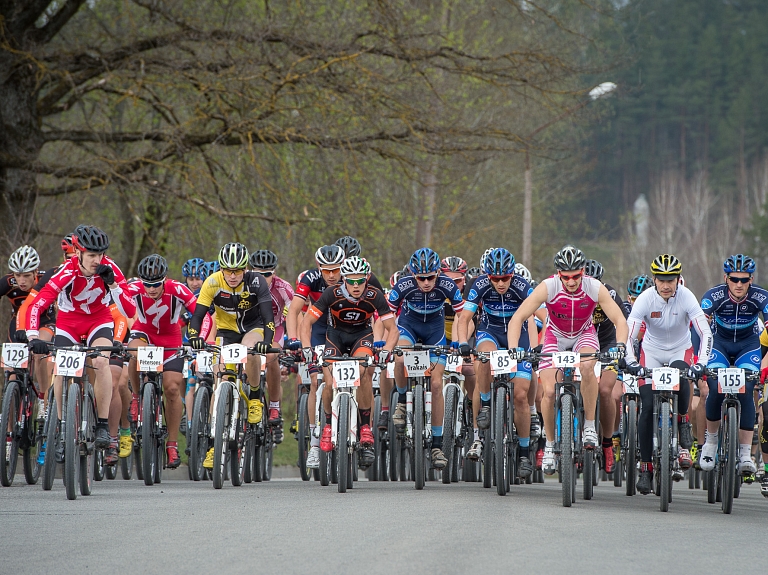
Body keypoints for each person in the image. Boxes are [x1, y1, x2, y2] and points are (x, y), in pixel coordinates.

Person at [507, 245, 628, 477]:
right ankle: (550, 444)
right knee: (550, 392)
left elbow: (619, 321)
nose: (571, 282)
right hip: (556, 336)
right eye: (566, 277)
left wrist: (620, 347)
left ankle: (590, 426)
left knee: (587, 366)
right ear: (558, 274)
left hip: (584, 334)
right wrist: (514, 349)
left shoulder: (594, 287)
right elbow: (518, 317)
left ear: (583, 272)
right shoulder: (548, 286)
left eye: (576, 276)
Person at [26, 225, 136, 456]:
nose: (97, 260)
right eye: (91, 255)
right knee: (61, 369)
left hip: (99, 321)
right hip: (68, 323)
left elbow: (129, 309)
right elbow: (39, 303)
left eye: (100, 254)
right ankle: (61, 426)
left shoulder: (110, 268)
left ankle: (103, 425)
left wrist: (113, 285)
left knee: (101, 363)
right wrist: (33, 335)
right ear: (78, 253)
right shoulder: (67, 271)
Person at [623, 254, 712, 494]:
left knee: (683, 374)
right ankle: (646, 468)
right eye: (661, 279)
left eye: (670, 279)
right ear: (654, 279)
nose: (666, 285)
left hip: (680, 351)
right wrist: (631, 362)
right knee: (647, 407)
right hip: (651, 352)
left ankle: (683, 419)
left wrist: (701, 363)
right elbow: (628, 335)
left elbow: (705, 333)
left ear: (678, 279)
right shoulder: (645, 299)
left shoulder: (686, 296)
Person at [299, 256, 398, 467]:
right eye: (351, 281)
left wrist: (387, 350)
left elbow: (393, 329)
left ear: (366, 279)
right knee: (327, 376)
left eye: (360, 281)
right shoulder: (331, 294)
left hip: (361, 337)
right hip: (334, 336)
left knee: (363, 371)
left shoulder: (375, 295)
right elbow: (307, 322)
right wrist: (307, 348)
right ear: (344, 280)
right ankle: (327, 425)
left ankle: (364, 427)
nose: (356, 286)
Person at [187, 242, 275, 469]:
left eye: (237, 271)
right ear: (222, 269)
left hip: (253, 328)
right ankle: (215, 444)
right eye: (228, 270)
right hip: (226, 333)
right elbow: (197, 315)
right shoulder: (213, 282)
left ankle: (255, 397)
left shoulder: (256, 281)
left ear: (245, 268)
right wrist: (195, 335)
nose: (233, 276)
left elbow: (268, 317)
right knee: (221, 382)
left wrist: (266, 341)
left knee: (250, 350)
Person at [455, 248, 535, 478]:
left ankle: (523, 452)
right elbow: (465, 318)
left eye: (505, 278)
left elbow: (540, 315)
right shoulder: (478, 285)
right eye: (495, 279)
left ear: (512, 274)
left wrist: (540, 344)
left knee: (520, 395)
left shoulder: (522, 285)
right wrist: (462, 342)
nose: (500, 283)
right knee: (484, 358)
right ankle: (487, 405)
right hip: (490, 332)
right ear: (487, 276)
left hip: (517, 337)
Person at [125, 254, 208, 468]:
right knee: (135, 353)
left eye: (156, 284)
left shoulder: (177, 289)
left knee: (172, 389)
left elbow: (202, 313)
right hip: (144, 333)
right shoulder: (133, 288)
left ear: (165, 279)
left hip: (170, 340)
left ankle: (172, 445)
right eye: (147, 285)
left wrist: (200, 337)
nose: (151, 289)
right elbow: (112, 305)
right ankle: (136, 397)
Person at [388, 248, 464, 469]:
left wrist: (459, 342)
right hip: (408, 328)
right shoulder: (403, 285)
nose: (426, 282)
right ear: (413, 275)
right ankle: (402, 401)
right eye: (421, 278)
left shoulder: (447, 285)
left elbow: (461, 315)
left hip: (435, 332)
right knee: (400, 359)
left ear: (437, 273)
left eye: (431, 277)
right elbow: (386, 316)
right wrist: (386, 344)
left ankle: (437, 444)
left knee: (437, 384)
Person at [699, 255, 767, 478]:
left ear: (751, 279)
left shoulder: (761, 297)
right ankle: (710, 442)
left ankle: (746, 455)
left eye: (744, 280)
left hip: (748, 346)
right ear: (726, 278)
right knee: (715, 385)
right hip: (719, 344)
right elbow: (698, 329)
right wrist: (698, 360)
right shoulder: (713, 296)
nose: (739, 284)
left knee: (747, 390)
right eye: (734, 279)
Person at [249, 249, 294, 443]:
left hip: (275, 328)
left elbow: (295, 313)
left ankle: (274, 406)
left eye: (267, 274)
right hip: (250, 329)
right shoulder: (243, 284)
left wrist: (294, 340)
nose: (262, 278)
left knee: (270, 357)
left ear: (274, 273)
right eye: (258, 274)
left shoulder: (283, 287)